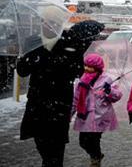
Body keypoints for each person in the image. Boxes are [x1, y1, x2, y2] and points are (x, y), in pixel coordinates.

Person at [17, 20, 104, 167]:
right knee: (43, 147)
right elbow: (22, 71)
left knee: (56, 154)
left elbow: (77, 71)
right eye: (45, 22)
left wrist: (68, 54)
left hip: (59, 106)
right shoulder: (34, 42)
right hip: (37, 105)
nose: (49, 26)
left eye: (53, 22)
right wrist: (24, 57)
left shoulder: (68, 43)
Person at [71, 53, 122, 167]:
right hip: (85, 116)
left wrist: (109, 91)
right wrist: (70, 114)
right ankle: (97, 155)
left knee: (94, 140)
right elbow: (76, 98)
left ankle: (95, 160)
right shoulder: (81, 81)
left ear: (97, 68)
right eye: (86, 65)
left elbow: (117, 96)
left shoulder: (106, 80)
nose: (87, 68)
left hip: (101, 116)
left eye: (90, 66)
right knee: (83, 142)